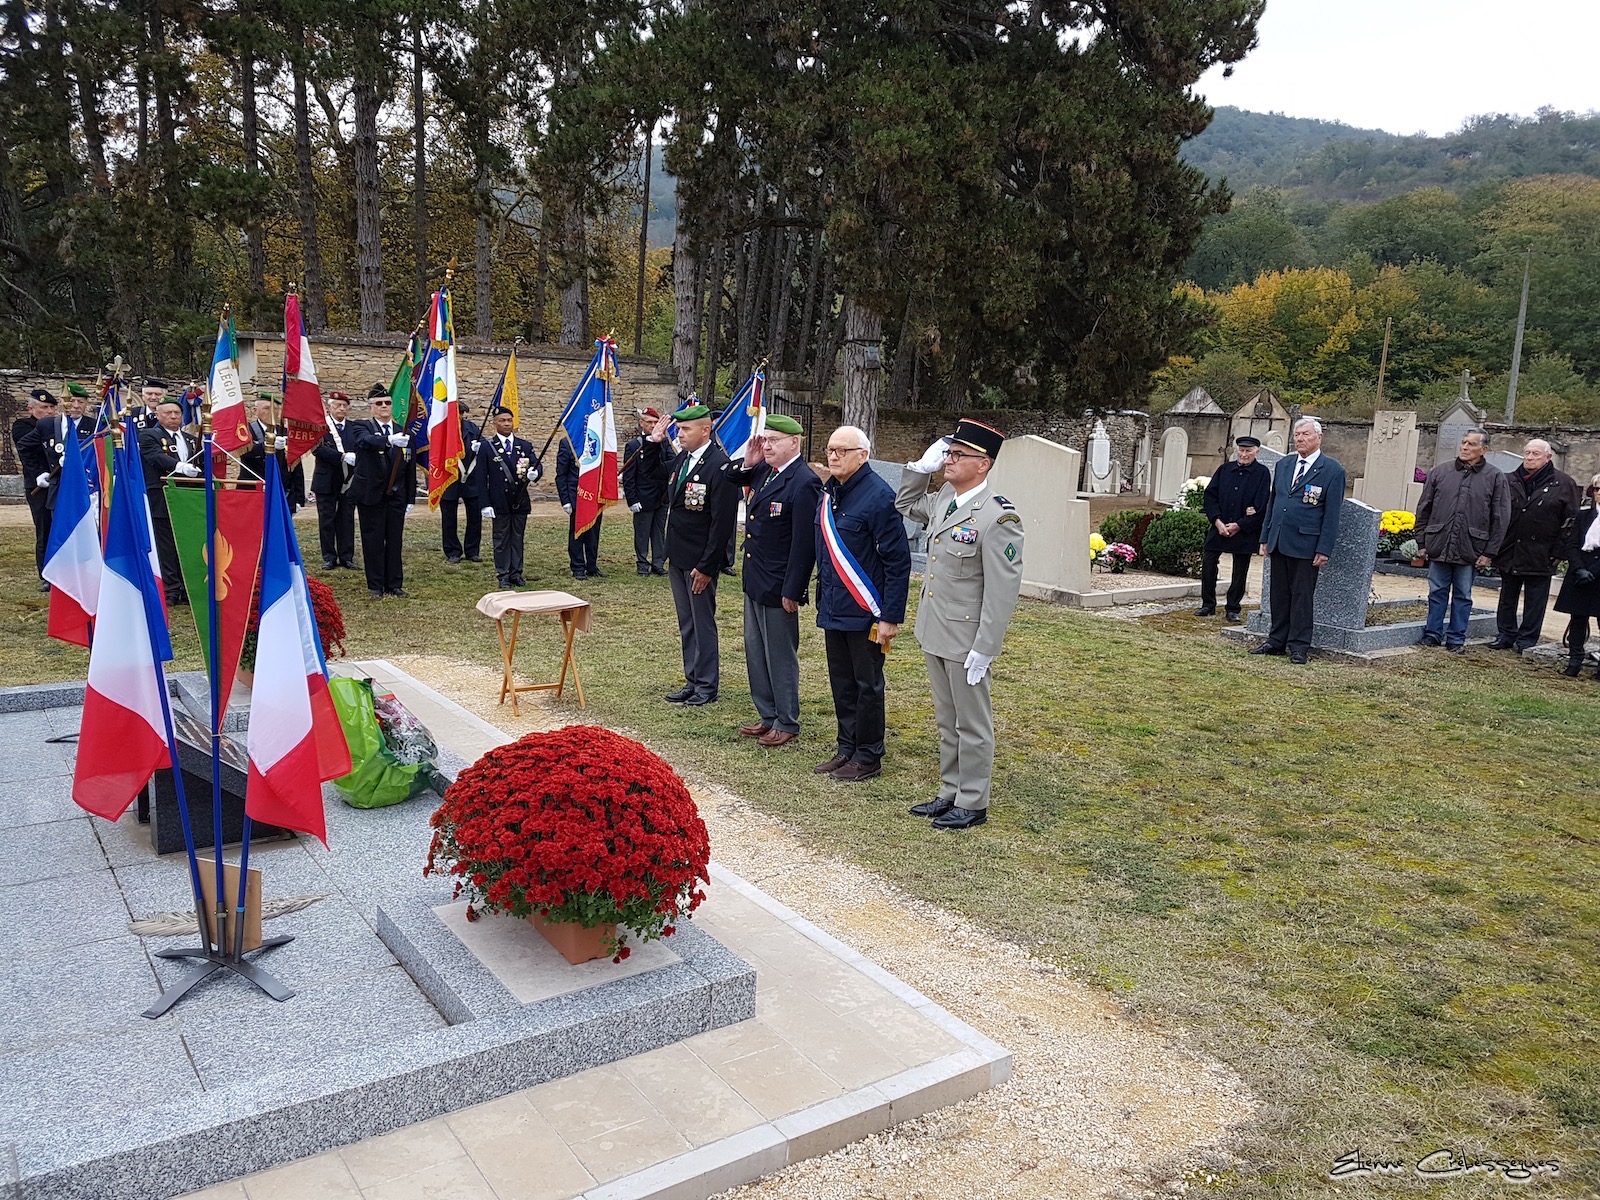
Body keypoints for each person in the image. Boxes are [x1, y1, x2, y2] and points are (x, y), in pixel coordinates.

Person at [895, 418, 1024, 830]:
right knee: (946, 718)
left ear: (983, 464)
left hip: (967, 637)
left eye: (957, 455)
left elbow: (1002, 592)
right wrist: (919, 469)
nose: (948, 461)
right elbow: (904, 505)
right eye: (948, 453)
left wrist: (986, 647)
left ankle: (973, 800)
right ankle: (949, 791)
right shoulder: (946, 498)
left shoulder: (998, 518)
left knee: (972, 722)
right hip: (935, 628)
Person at [813, 425, 911, 782]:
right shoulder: (831, 493)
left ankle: (868, 754)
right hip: (835, 607)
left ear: (863, 455)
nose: (834, 456)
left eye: (842, 450)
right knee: (842, 681)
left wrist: (890, 616)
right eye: (830, 450)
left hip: (867, 613)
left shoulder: (878, 497)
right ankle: (846, 748)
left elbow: (897, 562)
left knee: (867, 684)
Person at [728, 414, 822, 747]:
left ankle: (787, 720)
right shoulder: (767, 471)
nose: (766, 445)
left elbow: (803, 544)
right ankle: (767, 714)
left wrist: (794, 589)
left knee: (780, 654)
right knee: (756, 651)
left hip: (780, 583)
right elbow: (729, 479)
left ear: (794, 442)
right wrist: (749, 461)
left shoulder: (804, 481)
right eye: (765, 439)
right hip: (756, 578)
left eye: (773, 441)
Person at [650, 401, 739, 706]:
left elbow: (722, 523)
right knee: (686, 622)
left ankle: (706, 685)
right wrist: (654, 443)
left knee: (702, 623)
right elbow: (655, 477)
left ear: (706, 429)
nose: (680, 433)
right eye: (678, 428)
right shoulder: (684, 460)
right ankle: (692, 678)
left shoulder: (719, 466)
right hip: (678, 555)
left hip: (700, 561)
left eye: (686, 429)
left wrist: (707, 566)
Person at [1257, 417, 1346, 664]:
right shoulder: (1285, 465)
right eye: (1297, 434)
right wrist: (1266, 536)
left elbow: (1332, 514)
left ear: (1319, 438)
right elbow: (1274, 503)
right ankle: (1276, 640)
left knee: (1302, 596)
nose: (1300, 439)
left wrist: (1324, 548)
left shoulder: (1332, 470)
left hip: (1307, 543)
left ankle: (1299, 645)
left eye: (1305, 434)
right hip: (1280, 539)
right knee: (1279, 594)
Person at [1414, 428, 1510, 653]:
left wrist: (1489, 552)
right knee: (1436, 591)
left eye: (1471, 444)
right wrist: (1421, 541)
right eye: (1464, 443)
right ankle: (1432, 634)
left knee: (1463, 595)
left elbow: (1500, 517)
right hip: (1440, 542)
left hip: (1471, 547)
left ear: (1484, 449)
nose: (1465, 447)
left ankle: (1456, 638)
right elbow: (1424, 508)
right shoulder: (1440, 472)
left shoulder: (1495, 477)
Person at [1490, 439, 1581, 653]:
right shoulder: (1509, 480)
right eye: (1527, 453)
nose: (1530, 457)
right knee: (1507, 598)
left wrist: (1558, 552)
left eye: (1536, 454)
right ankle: (1505, 634)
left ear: (1548, 457)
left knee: (1535, 601)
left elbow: (1571, 522)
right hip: (1510, 549)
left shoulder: (1564, 484)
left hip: (1542, 552)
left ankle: (1527, 639)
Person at [351, 383, 417, 599]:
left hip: (396, 495)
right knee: (373, 540)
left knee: (394, 539)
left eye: (387, 403)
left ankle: (394, 584)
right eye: (378, 404)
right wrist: (388, 440)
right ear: (371, 407)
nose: (384, 407)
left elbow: (409, 464)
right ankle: (376, 585)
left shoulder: (403, 432)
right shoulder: (362, 427)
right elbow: (364, 442)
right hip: (371, 494)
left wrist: (410, 497)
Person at [1196, 436, 1271, 622]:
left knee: (1240, 569)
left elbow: (1262, 504)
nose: (1244, 454)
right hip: (1219, 525)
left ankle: (1233, 608)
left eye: (1249, 451)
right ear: (1237, 451)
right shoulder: (1225, 469)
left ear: (1257, 452)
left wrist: (1240, 524)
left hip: (1243, 528)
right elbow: (1210, 496)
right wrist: (1217, 521)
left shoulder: (1262, 473)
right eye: (1242, 450)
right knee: (1209, 562)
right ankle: (1208, 604)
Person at [138, 398, 202, 605]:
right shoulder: (149, 435)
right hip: (162, 495)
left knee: (185, 542)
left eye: (177, 413)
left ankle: (186, 587)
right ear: (157, 415)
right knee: (165, 544)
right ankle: (171, 589)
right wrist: (180, 467)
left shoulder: (191, 439)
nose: (173, 416)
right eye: (168, 413)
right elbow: (155, 457)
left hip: (187, 497)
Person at [472, 406, 542, 588]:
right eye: (502, 421)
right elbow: (481, 478)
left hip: (519, 500)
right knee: (501, 539)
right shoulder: (487, 447)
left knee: (517, 538)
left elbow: (535, 464)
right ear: (495, 424)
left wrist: (536, 473)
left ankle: (516, 573)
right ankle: (503, 574)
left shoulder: (524, 446)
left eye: (509, 420)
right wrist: (484, 504)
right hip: (499, 501)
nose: (506, 424)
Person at [1554, 475, 1600, 678]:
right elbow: (1572, 544)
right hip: (1580, 573)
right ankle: (1574, 661)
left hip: (1598, 574)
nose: (1599, 493)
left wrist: (1594, 571)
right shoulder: (1583, 516)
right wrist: (1579, 568)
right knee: (1578, 619)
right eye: (1597, 489)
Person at [310, 390, 359, 570]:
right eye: (337, 405)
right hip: (326, 480)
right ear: (329, 407)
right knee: (326, 519)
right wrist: (342, 457)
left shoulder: (354, 428)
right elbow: (318, 449)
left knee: (346, 518)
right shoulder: (321, 427)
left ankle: (347, 556)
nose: (341, 408)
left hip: (348, 481)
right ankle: (329, 556)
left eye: (344, 406)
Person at [623, 408, 671, 575]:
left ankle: (658, 563)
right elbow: (629, 475)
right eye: (649, 422)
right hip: (643, 497)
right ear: (641, 423)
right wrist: (632, 499)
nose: (652, 425)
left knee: (659, 532)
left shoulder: (664, 442)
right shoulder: (634, 445)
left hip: (662, 495)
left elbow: (670, 464)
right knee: (642, 533)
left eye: (655, 422)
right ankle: (642, 564)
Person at [13, 388, 52, 589]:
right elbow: (28, 448)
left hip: (59, 483)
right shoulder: (22, 426)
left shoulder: (57, 425)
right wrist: (39, 473)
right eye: (44, 407)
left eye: (52, 407)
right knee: (44, 527)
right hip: (39, 484)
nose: (49, 411)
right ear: (31, 408)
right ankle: (46, 575)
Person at [440, 401, 485, 564]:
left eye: (460, 414)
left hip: (470, 478)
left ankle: (472, 550)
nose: (458, 417)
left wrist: (480, 447)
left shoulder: (472, 428)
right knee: (449, 517)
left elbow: (483, 446)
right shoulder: (441, 429)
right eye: (455, 413)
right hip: (448, 478)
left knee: (474, 516)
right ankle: (452, 551)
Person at [557, 435, 604, 579]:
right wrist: (565, 500)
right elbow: (561, 474)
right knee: (577, 533)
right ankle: (577, 567)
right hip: (576, 495)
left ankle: (591, 565)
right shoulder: (568, 441)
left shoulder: (598, 438)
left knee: (593, 533)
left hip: (594, 495)